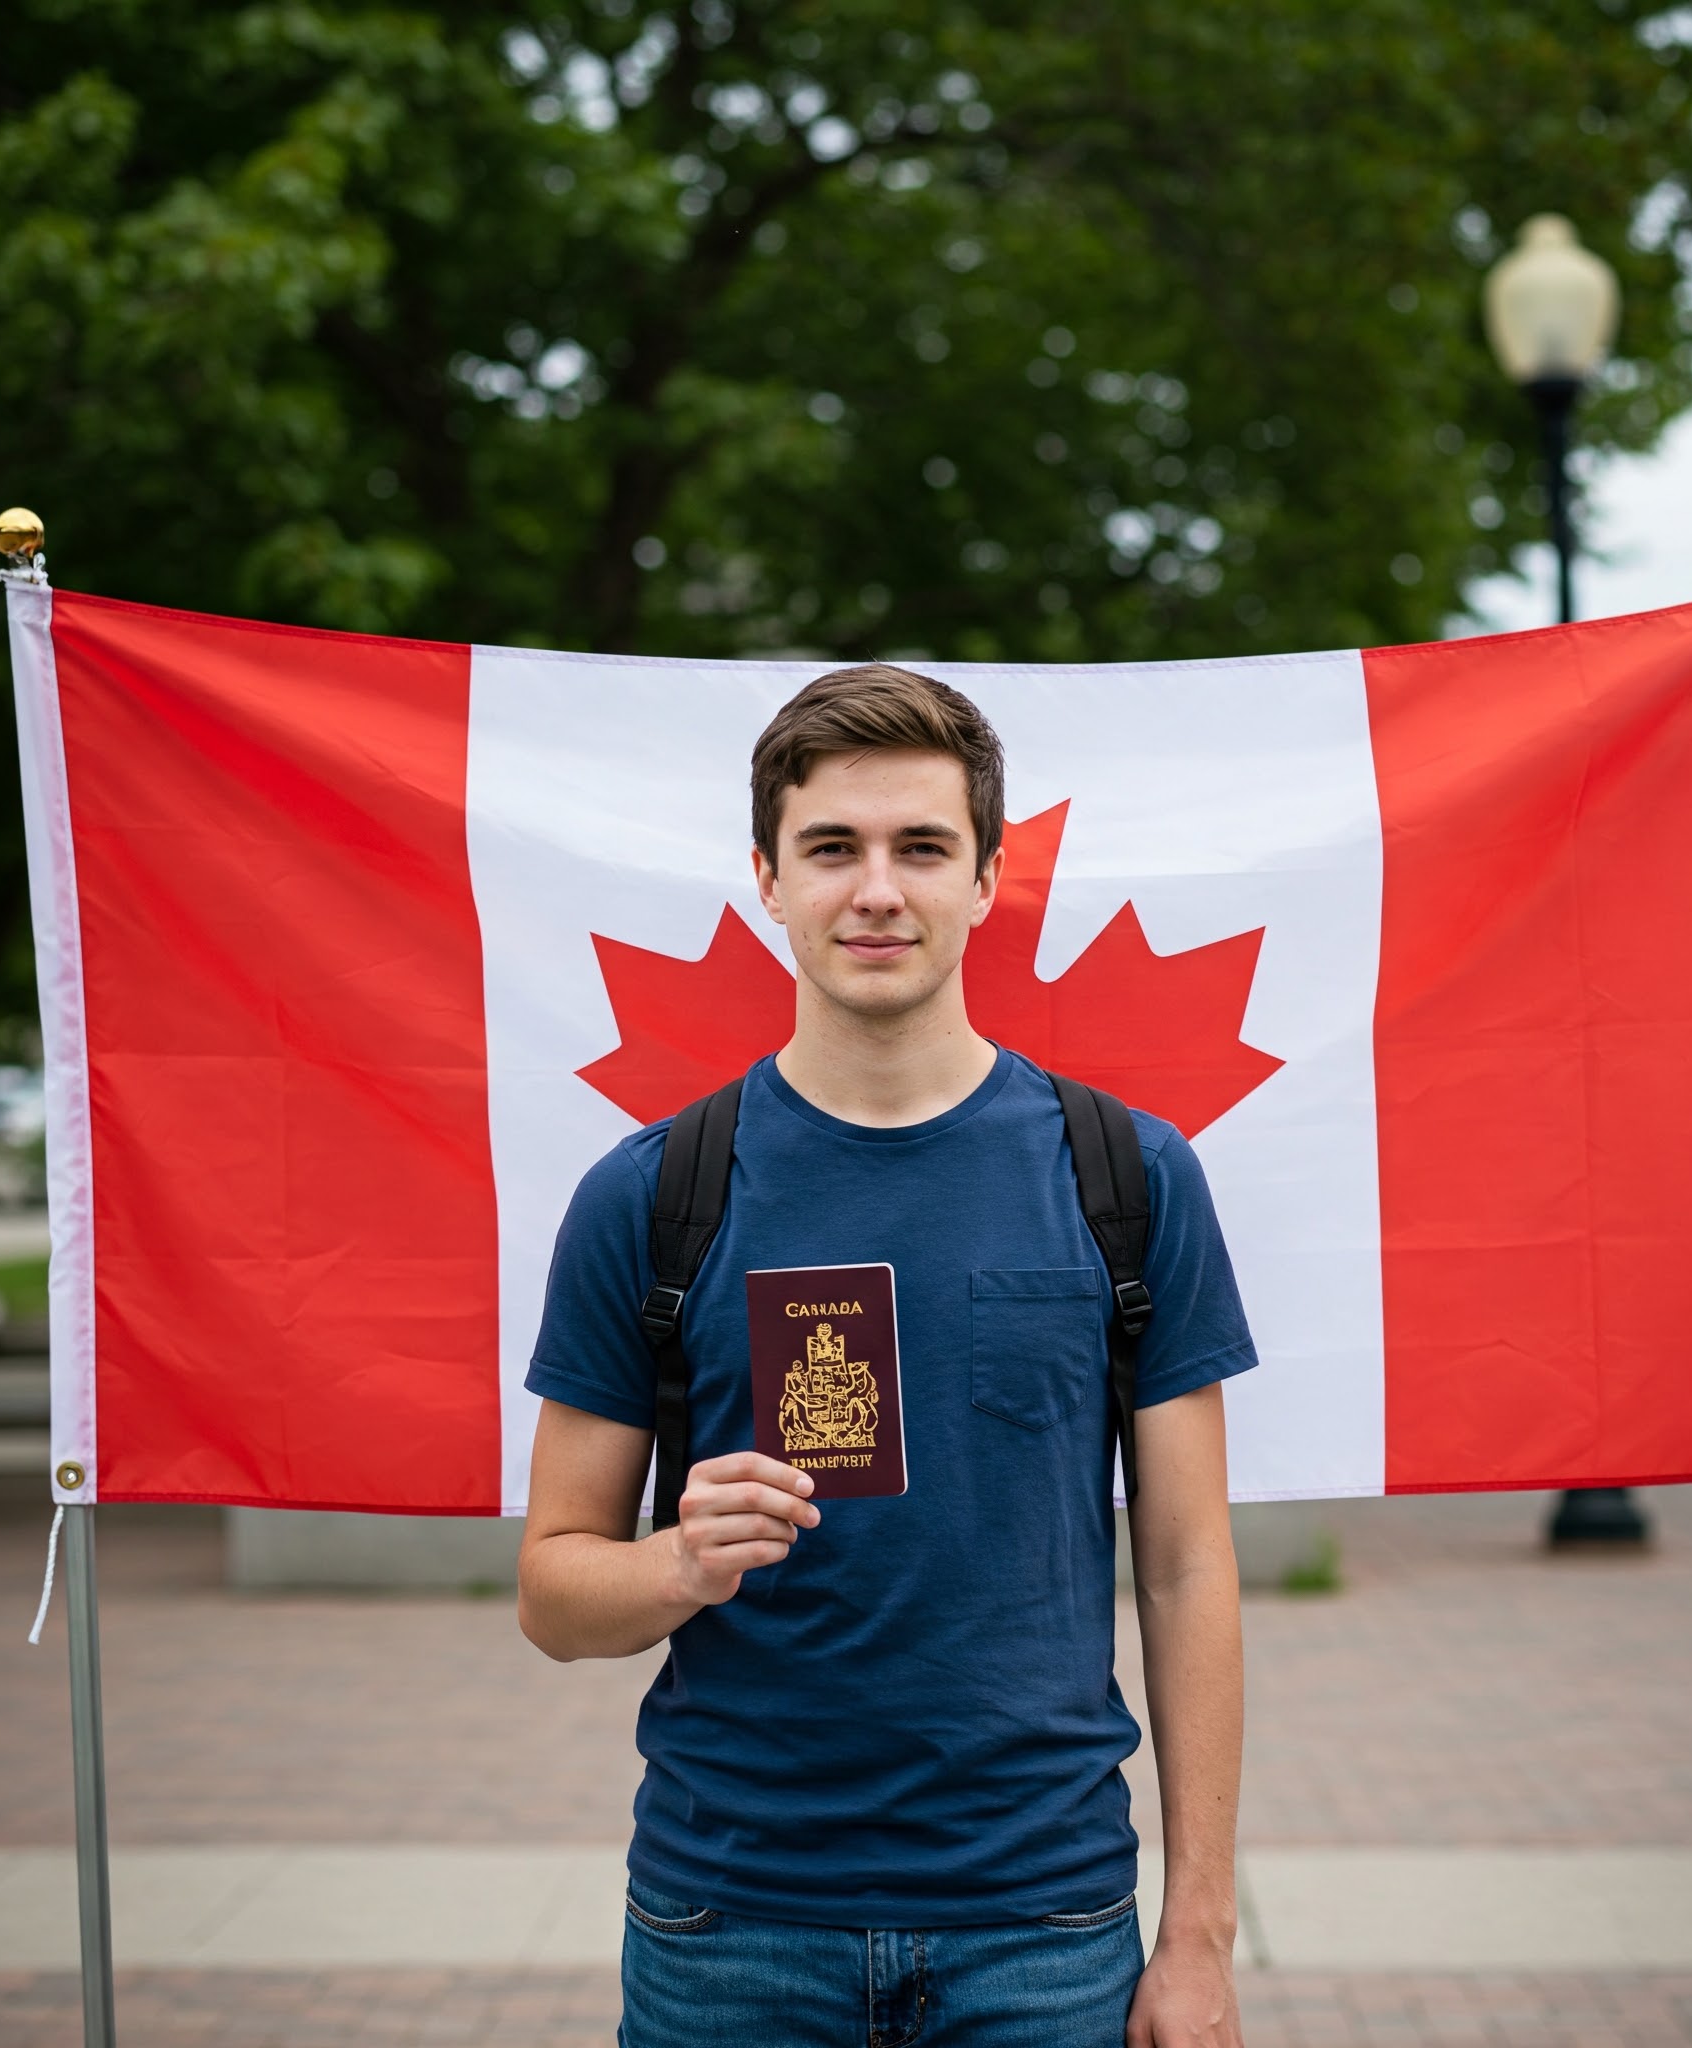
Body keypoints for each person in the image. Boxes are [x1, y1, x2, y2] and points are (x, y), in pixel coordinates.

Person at [518, 664, 1256, 2047]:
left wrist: (1200, 1932)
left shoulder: (1128, 1177)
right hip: (727, 1931)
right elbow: (554, 1597)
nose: (876, 891)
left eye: (921, 847)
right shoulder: (651, 1195)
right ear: (767, 878)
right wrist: (679, 1563)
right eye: (831, 849)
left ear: (986, 879)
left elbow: (1185, 1567)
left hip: (1044, 1930)